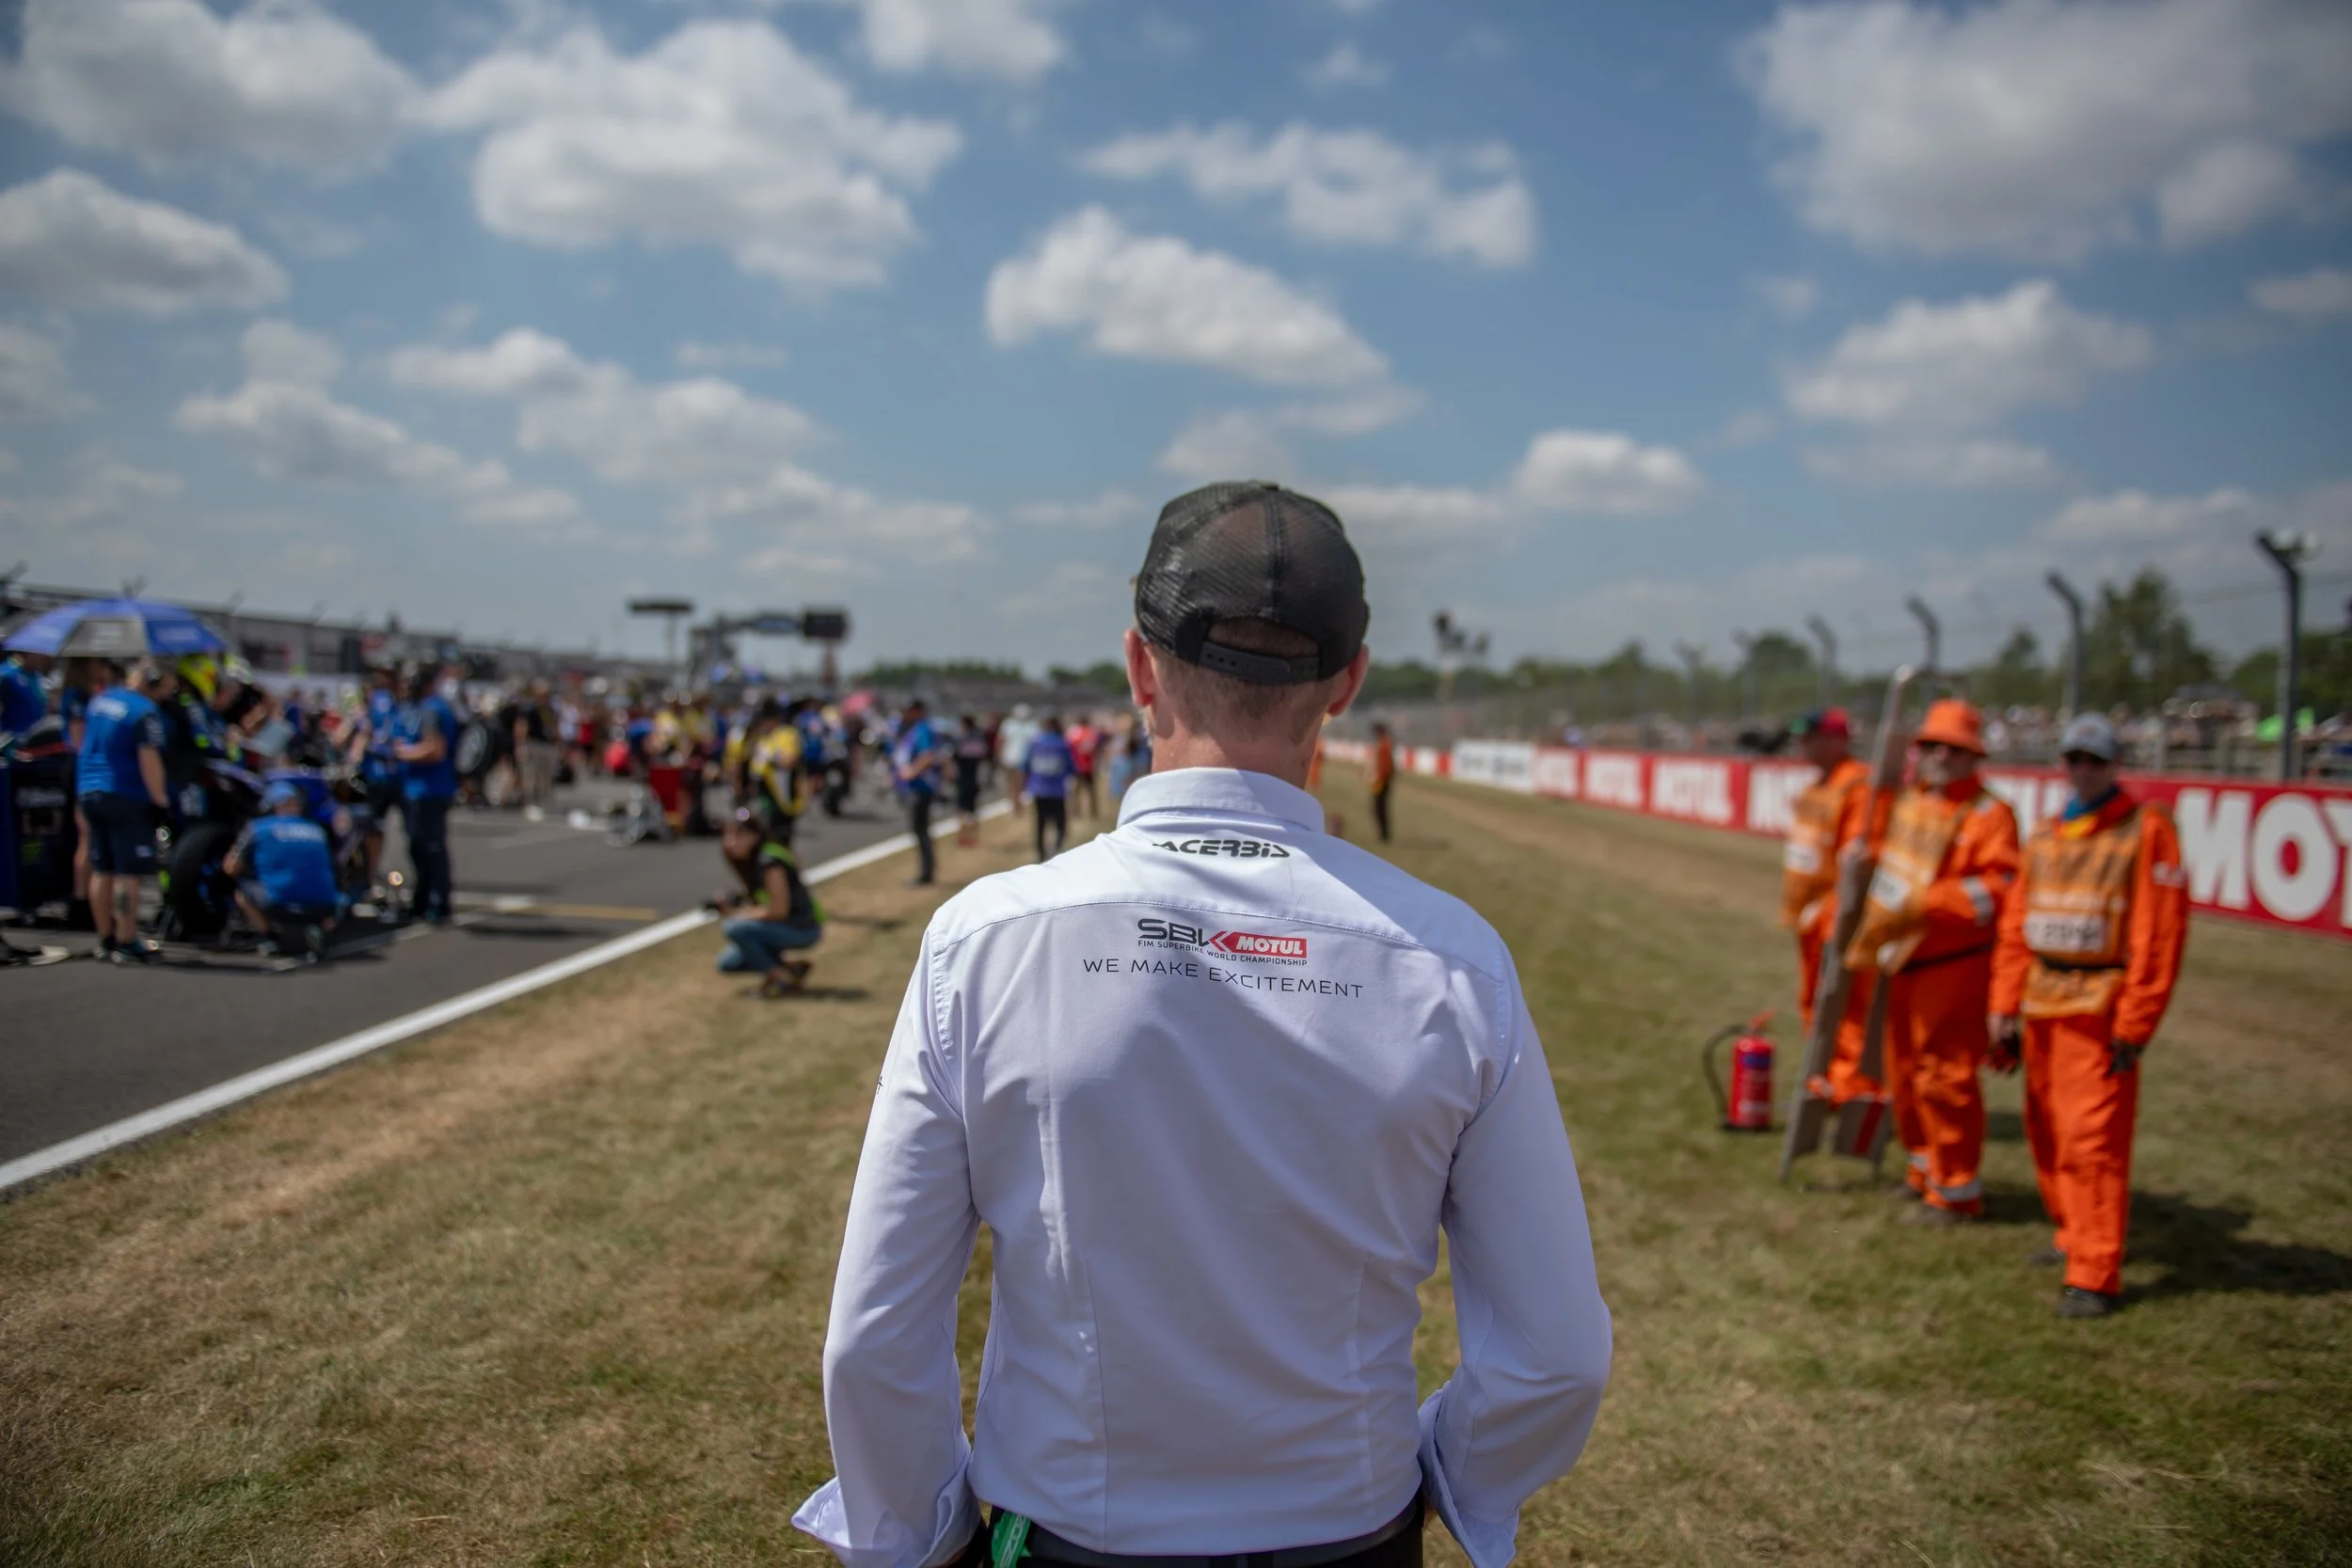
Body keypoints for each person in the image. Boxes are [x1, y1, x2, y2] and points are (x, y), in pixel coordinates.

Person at [797, 481, 1610, 1568]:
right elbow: (1554, 1354)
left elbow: (877, 1338)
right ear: (1347, 684)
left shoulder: (987, 937)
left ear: (1140, 666)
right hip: (1349, 1531)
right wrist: (1441, 1473)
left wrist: (915, 1534)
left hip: (1068, 1534)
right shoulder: (1454, 959)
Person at [1990, 714, 2188, 1318]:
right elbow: (2016, 927)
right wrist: (2003, 1005)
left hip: (2100, 1008)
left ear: (2114, 764)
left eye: (2095, 761)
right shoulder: (2047, 834)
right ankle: (2070, 1234)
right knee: (2048, 1129)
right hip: (2045, 1002)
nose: (2083, 770)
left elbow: (2160, 935)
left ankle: (2094, 1272)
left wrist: (2136, 1022)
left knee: (2093, 1142)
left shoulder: (2143, 831)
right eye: (2074, 758)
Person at [1843, 699, 2019, 1224]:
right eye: (1931, 746)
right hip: (1903, 963)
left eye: (1954, 748)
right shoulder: (1913, 802)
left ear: (1973, 756)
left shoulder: (1992, 815)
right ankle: (1924, 1171)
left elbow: (2000, 890)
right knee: (1906, 1074)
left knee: (1946, 1078)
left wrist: (1929, 899)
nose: (1940, 755)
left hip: (1954, 968)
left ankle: (1956, 1191)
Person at [1783, 707, 1878, 1106]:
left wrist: (1832, 918)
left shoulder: (1857, 786)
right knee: (1813, 1002)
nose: (1805, 745)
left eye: (1815, 737)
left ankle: (1851, 1089)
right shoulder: (1816, 787)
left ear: (1839, 739)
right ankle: (1820, 1080)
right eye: (1803, 737)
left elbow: (1855, 862)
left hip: (1835, 920)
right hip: (1807, 919)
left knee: (1845, 1006)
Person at [76, 659, 169, 964]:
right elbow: (149, 760)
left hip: (89, 790)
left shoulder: (101, 700)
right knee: (128, 872)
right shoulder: (145, 711)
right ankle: (127, 940)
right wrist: (160, 798)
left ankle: (105, 938)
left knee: (103, 868)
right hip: (125, 794)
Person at [714, 806, 825, 997]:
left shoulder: (770, 862)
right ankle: (790, 969)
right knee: (727, 962)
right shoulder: (755, 861)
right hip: (785, 926)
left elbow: (778, 910)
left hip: (802, 928)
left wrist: (737, 914)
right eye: (727, 836)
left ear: (755, 836)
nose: (730, 843)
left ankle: (778, 979)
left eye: (738, 836)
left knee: (734, 928)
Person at [225, 781, 342, 955]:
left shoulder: (258, 828)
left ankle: (268, 937)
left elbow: (230, 867)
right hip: (326, 908)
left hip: (280, 905)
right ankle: (319, 929)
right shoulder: (317, 829)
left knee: (242, 891)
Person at [392, 665, 460, 926]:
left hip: (430, 789)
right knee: (416, 846)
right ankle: (421, 899)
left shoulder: (433, 709)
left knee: (431, 848)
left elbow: (435, 750)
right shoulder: (414, 708)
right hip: (415, 788)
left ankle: (438, 901)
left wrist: (401, 753)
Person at [890, 697, 944, 885]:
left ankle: (926, 873)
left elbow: (928, 755)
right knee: (919, 831)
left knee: (921, 830)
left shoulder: (923, 730)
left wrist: (911, 772)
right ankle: (925, 871)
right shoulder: (912, 729)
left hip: (921, 788)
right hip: (915, 788)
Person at [1021, 713, 1073, 861]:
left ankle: (1041, 853)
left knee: (1040, 823)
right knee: (1060, 824)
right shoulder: (1063, 744)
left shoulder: (1035, 743)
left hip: (1039, 789)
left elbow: (1025, 765)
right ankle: (1056, 849)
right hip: (1057, 790)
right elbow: (1071, 767)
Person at [953, 712, 991, 846]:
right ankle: (974, 836)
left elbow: (955, 756)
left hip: (963, 779)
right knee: (973, 809)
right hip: (975, 779)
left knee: (962, 809)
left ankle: (963, 835)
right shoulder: (979, 739)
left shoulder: (961, 739)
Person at [996, 701, 1038, 815]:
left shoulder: (1012, 725)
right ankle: (1016, 805)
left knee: (1016, 784)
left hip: (1016, 759)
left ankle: (1016, 806)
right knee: (1016, 784)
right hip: (1015, 758)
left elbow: (1000, 741)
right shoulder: (1013, 725)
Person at [0, 646, 50, 735]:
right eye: (38, 652)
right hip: (12, 738)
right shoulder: (7, 675)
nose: (42, 656)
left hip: (36, 736)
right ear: (26, 653)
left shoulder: (37, 676)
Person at [1066, 712, 1101, 819]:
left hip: (1077, 766)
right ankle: (1093, 812)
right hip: (1089, 766)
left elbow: (1069, 749)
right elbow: (1095, 749)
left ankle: (1075, 811)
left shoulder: (1073, 733)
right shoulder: (1092, 733)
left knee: (1076, 790)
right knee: (1091, 790)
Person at [1369, 719, 1397, 843]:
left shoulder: (1384, 744)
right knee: (1379, 807)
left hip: (1382, 781)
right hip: (1382, 780)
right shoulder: (1383, 743)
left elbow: (1385, 766)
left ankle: (1384, 835)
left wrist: (1378, 777)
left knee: (1379, 807)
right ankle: (1383, 834)